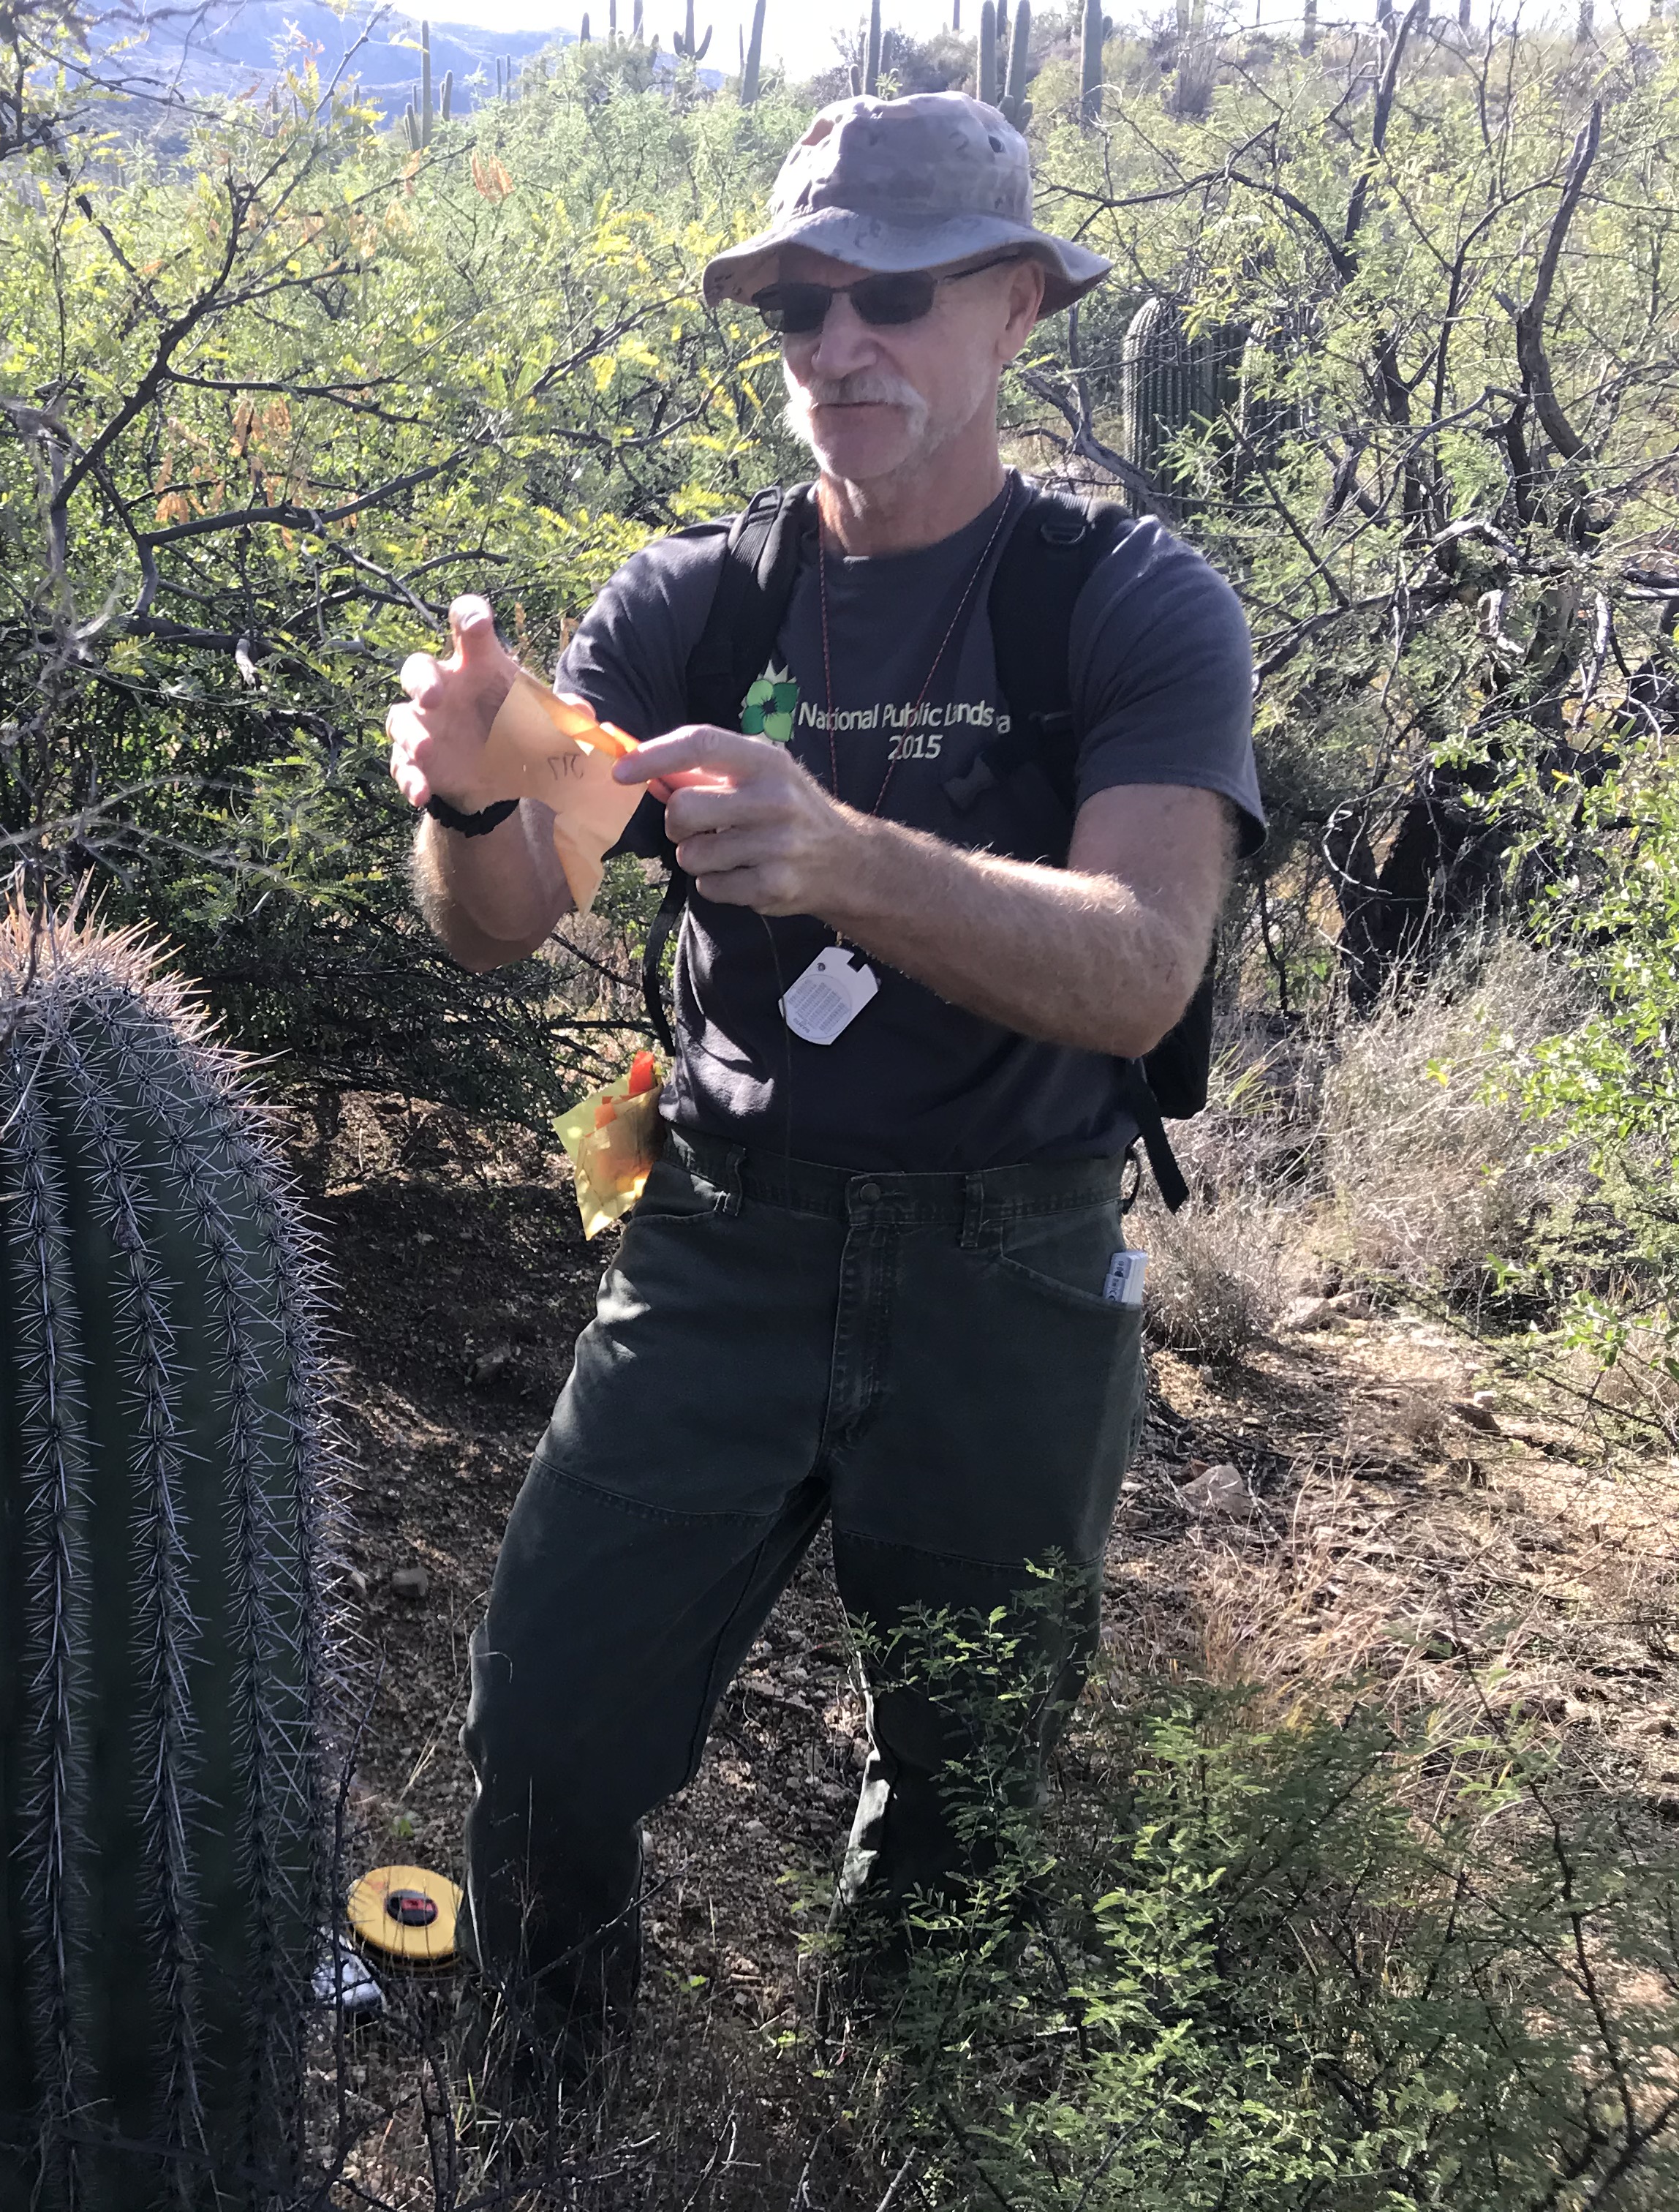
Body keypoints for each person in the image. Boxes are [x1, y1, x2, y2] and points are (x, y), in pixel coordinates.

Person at [382, 93, 1264, 2096]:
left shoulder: (1124, 604)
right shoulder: (700, 598)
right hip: (719, 1242)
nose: (836, 350)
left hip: (1010, 1269)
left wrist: (848, 854)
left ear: (1018, 307)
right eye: (796, 309)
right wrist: (463, 789)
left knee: (966, 1775)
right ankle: (553, 2090)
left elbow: (1142, 966)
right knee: (548, 1726)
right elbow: (506, 921)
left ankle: (895, 2104)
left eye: (888, 298)